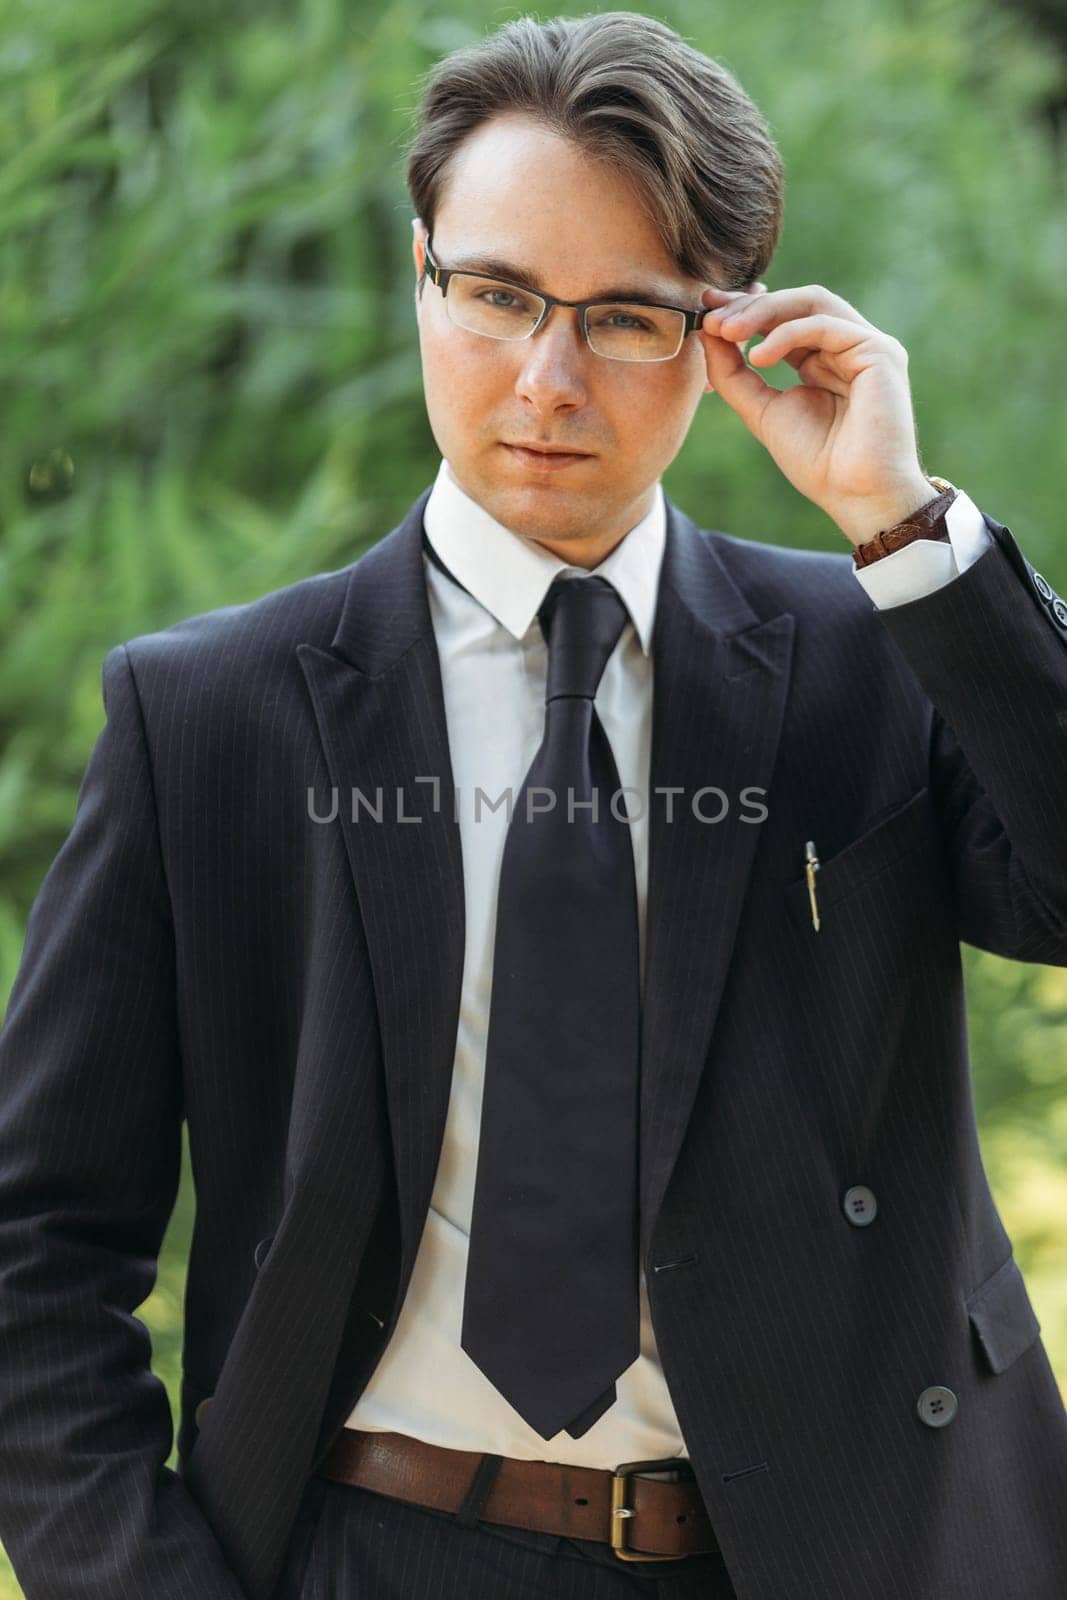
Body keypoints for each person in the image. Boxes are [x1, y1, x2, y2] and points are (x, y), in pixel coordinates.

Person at [1, 10, 1065, 1599]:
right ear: (418, 270)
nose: (547, 380)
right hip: (376, 1552)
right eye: (497, 296)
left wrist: (904, 527)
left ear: (728, 331)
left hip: (855, 1545)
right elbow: (35, 1246)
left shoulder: (876, 645)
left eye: (627, 317)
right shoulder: (212, 712)